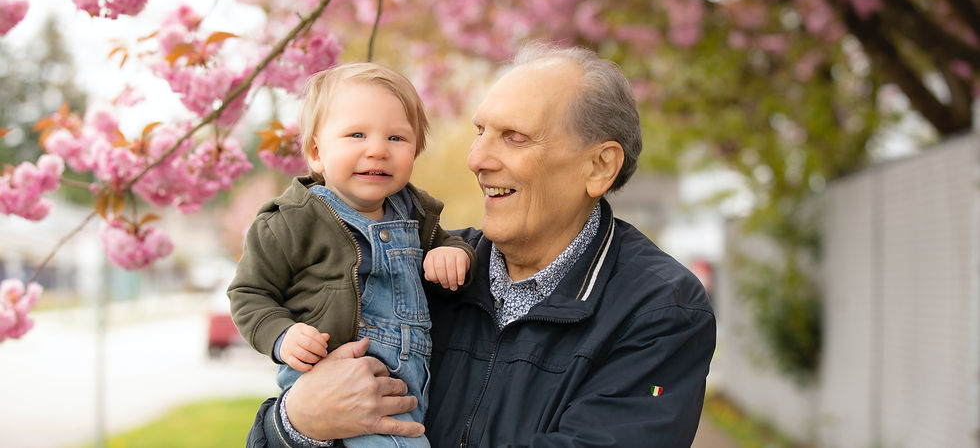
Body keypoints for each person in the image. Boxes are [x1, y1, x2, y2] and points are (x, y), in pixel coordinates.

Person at [246, 43, 716, 447]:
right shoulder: (420, 268)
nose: (477, 159)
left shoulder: (659, 310)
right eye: (480, 133)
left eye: (513, 137)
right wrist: (298, 422)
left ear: (598, 167)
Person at [228, 62, 476, 447]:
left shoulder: (417, 215)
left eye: (396, 138)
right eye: (356, 134)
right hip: (338, 380)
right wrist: (282, 334)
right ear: (316, 152)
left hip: (410, 384)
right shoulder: (291, 221)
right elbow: (248, 294)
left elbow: (450, 249)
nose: (377, 150)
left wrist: (452, 254)